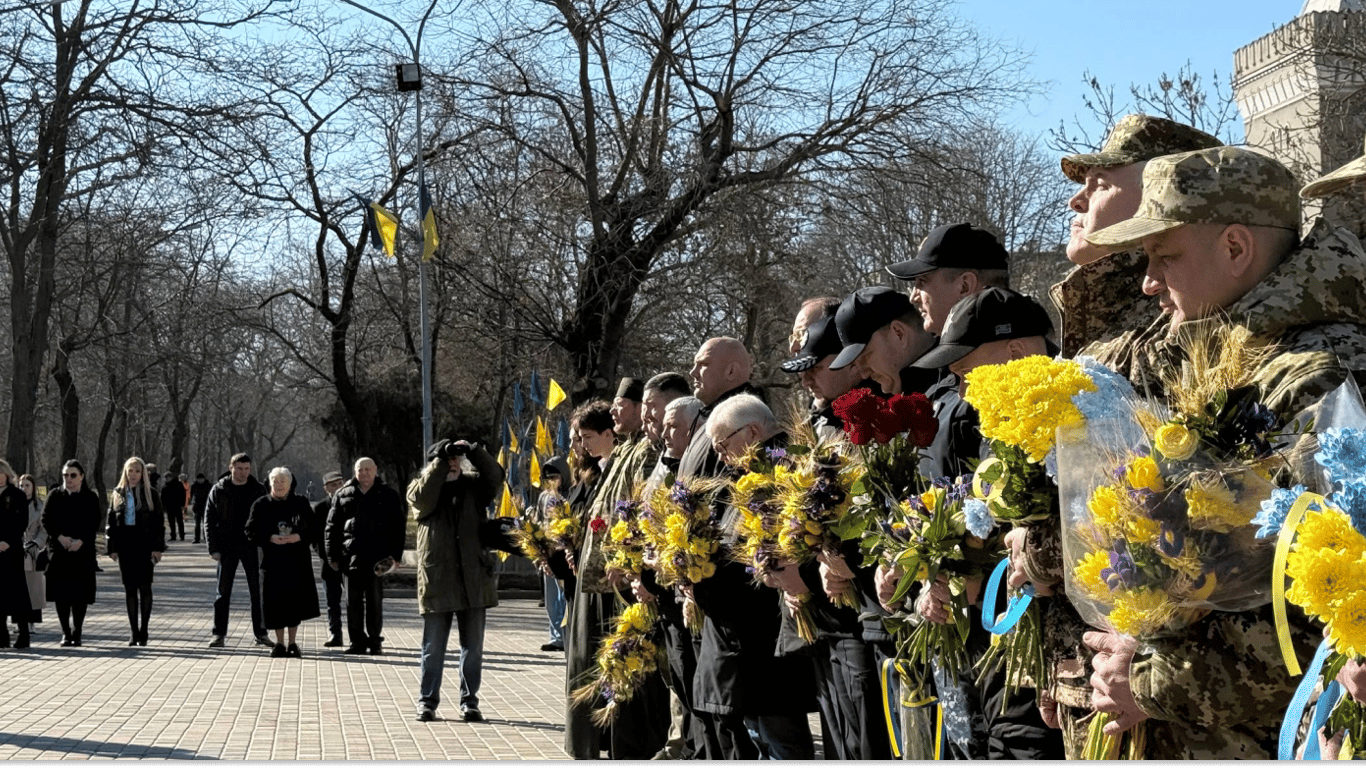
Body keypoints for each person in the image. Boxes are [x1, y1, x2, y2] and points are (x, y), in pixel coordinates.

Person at [1075, 145, 1366, 759]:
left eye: (1165, 257)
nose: (1149, 281)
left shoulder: (1322, 373)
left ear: (1235, 248)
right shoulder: (1219, 356)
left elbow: (1329, 614)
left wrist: (1151, 681)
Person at [905, 288, 1066, 761]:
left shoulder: (1071, 412)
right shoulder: (996, 424)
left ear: (1015, 351)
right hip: (1004, 643)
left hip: (1060, 649)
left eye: (965, 374)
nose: (959, 392)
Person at [693, 394, 816, 760]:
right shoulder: (745, 475)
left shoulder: (783, 471)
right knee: (764, 739)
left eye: (722, 445)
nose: (719, 456)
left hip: (769, 643)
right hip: (747, 643)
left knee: (782, 743)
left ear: (751, 432)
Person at [1053, 114, 1221, 357]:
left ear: (1157, 200)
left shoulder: (1183, 316)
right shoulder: (1105, 305)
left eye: (1100, 184)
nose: (1075, 201)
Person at [408, 438, 504, 723]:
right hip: (438, 581)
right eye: (446, 460)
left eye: (455, 460)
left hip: (473, 578)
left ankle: (469, 701)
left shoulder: (473, 486)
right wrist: (440, 464)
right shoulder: (421, 489)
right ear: (433, 465)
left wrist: (473, 452)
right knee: (433, 648)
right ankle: (427, 702)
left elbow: (495, 477)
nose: (452, 464)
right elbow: (423, 499)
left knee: (473, 649)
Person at [562, 400, 625, 759]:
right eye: (578, 438)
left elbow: (607, 521)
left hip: (609, 586)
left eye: (586, 437)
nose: (581, 445)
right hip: (585, 579)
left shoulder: (615, 468)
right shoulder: (593, 470)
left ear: (608, 434)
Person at [326, 457, 406, 655]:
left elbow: (398, 528)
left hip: (378, 559)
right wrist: (332, 556)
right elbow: (332, 527)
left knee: (374, 602)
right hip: (350, 557)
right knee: (352, 602)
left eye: (368, 469)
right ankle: (357, 642)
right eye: (360, 470)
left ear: (375, 470)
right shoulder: (343, 494)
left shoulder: (388, 495)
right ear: (355, 472)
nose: (364, 473)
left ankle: (375, 641)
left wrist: (396, 556)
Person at [889, 221, 1010, 336]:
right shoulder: (1012, 342)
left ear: (964, 286)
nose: (913, 298)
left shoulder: (997, 349)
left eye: (922, 281)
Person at [247, 467, 319, 658]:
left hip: (296, 561)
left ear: (290, 483)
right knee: (274, 603)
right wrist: (269, 538)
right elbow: (250, 531)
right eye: (275, 481)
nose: (279, 485)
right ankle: (279, 643)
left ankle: (293, 642)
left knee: (294, 603)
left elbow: (314, 528)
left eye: (283, 481)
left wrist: (298, 536)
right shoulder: (261, 504)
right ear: (270, 483)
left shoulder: (301, 502)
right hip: (271, 562)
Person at [205, 453, 271, 648]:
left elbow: (267, 518)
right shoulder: (219, 489)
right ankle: (218, 634)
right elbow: (209, 520)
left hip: (252, 546)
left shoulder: (258, 489)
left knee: (257, 592)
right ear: (231, 467)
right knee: (222, 593)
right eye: (239, 468)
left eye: (246, 469)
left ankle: (261, 633)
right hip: (226, 546)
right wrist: (213, 548)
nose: (243, 473)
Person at [106, 457, 167, 646]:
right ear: (125, 472)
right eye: (130, 471)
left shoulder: (151, 494)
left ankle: (144, 630)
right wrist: (111, 547)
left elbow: (159, 523)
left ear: (143, 474)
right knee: (130, 589)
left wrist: (158, 548)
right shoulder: (118, 493)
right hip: (126, 547)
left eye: (137, 471)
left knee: (145, 587)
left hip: (145, 547)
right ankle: (133, 632)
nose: (133, 475)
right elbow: (111, 522)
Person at [42, 460, 101, 646]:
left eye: (73, 475)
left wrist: (81, 541)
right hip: (60, 551)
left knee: (79, 595)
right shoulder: (55, 495)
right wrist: (60, 537)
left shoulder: (90, 497)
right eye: (65, 475)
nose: (68, 479)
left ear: (81, 476)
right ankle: (65, 632)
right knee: (62, 594)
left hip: (82, 552)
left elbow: (94, 521)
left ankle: (77, 631)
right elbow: (46, 519)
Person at [533, 457, 570, 653]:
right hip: (547, 552)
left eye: (555, 477)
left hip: (564, 553)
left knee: (564, 598)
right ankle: (556, 638)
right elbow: (539, 521)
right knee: (551, 599)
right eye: (548, 478)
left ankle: (566, 637)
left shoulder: (569, 495)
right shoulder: (544, 497)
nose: (552, 481)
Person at [311, 470, 347, 647]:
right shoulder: (320, 508)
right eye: (333, 485)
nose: (338, 487)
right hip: (329, 563)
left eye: (340, 483)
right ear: (326, 488)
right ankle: (335, 634)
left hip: (350, 561)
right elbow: (315, 539)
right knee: (332, 602)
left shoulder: (352, 503)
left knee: (354, 601)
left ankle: (357, 635)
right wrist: (329, 558)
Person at [0, 460, 32, 649]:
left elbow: (22, 522)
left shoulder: (17, 495)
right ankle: (2, 634)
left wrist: (8, 542)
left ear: (6, 474)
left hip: (12, 550)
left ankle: (23, 633)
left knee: (17, 593)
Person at [19, 474, 47, 635]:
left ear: (33, 487)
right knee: (17, 588)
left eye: (27, 485)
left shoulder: (39, 506)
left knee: (34, 588)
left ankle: (32, 623)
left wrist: (36, 543)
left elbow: (44, 530)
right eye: (21, 485)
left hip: (32, 550)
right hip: (15, 548)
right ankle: (19, 622)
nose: (24, 488)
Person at [160, 470, 186, 543]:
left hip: (177, 506)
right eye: (166, 477)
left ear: (171, 477)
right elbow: (162, 498)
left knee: (179, 521)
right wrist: (163, 507)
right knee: (171, 522)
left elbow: (183, 494)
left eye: (168, 477)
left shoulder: (178, 484)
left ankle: (182, 535)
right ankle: (173, 536)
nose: (167, 478)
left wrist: (182, 504)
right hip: (169, 507)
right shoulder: (164, 487)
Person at [189, 473, 212, 544]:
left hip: (206, 506)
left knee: (206, 523)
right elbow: (191, 496)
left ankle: (206, 537)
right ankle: (197, 538)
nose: (200, 480)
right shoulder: (194, 486)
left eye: (201, 479)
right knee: (197, 524)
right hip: (197, 507)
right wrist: (191, 503)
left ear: (204, 479)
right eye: (199, 479)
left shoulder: (209, 486)